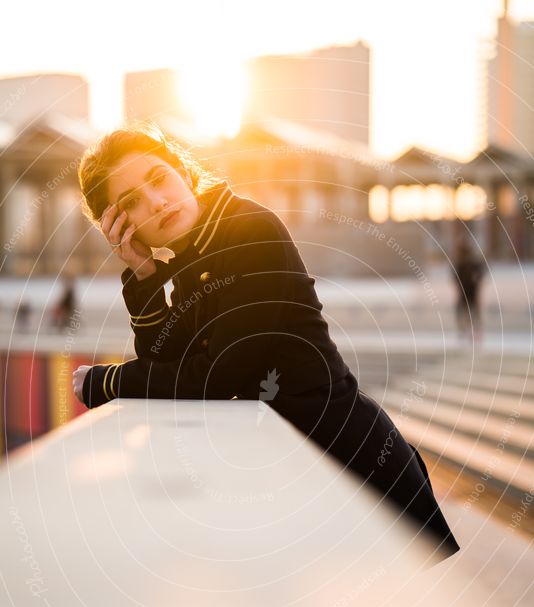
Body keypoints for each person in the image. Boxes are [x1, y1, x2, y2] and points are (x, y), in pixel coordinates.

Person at [73, 122, 460, 564]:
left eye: (159, 178)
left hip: (353, 462)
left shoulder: (247, 229)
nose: (157, 202)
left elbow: (216, 378)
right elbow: (171, 367)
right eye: (131, 204)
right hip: (298, 477)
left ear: (182, 169)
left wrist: (107, 383)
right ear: (121, 227)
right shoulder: (191, 257)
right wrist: (143, 274)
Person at [451, 232, 485, 344]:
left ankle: (473, 332)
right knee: (466, 311)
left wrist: (476, 280)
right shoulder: (461, 260)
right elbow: (455, 274)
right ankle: (469, 331)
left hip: (470, 290)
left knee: (470, 311)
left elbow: (481, 270)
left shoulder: (468, 260)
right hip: (466, 290)